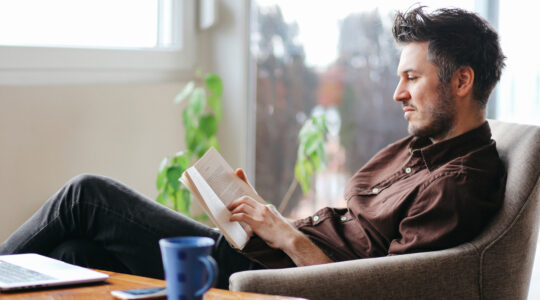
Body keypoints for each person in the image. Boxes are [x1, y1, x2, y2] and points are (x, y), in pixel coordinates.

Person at [0, 6, 506, 289]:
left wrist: (285, 237)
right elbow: (349, 234)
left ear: (462, 81)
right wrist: (262, 216)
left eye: (412, 78)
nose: (398, 94)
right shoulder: (425, 147)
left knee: (87, 196)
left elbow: (373, 290)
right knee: (75, 253)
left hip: (273, 278)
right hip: (266, 254)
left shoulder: (459, 183)